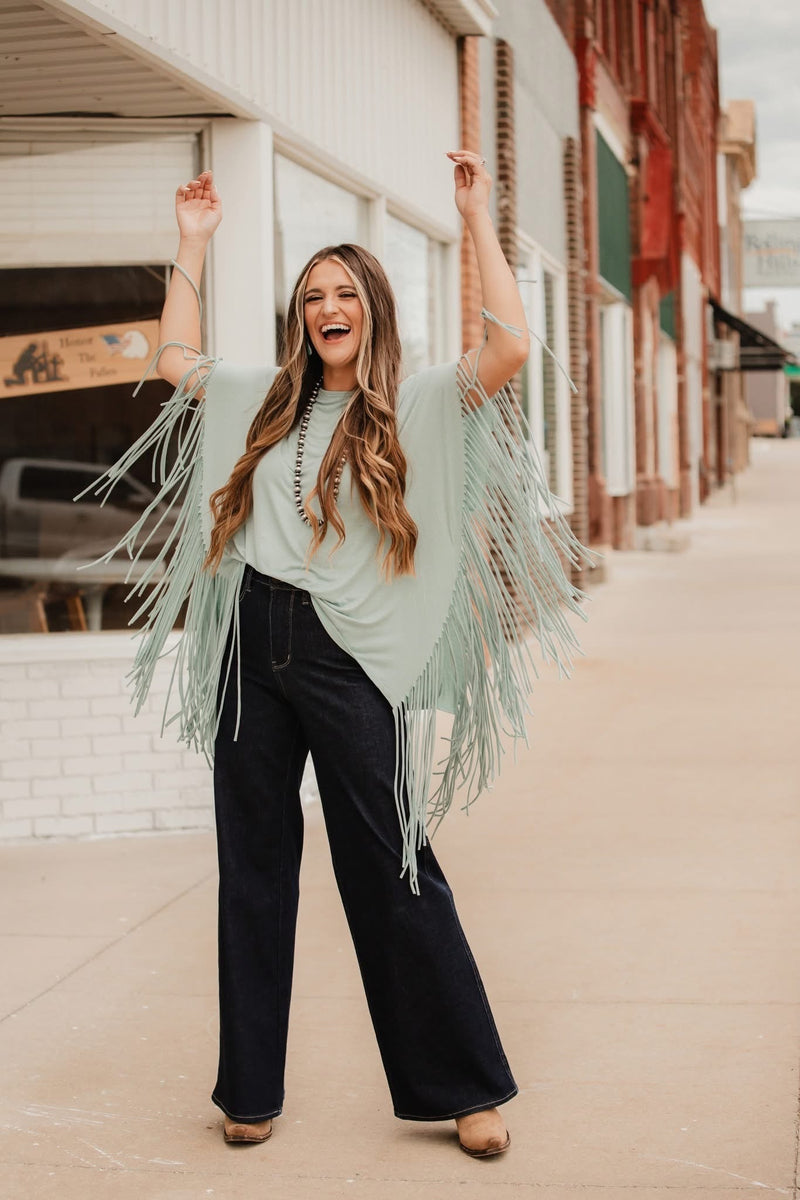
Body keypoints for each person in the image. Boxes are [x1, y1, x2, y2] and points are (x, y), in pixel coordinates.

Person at [86, 153, 593, 1157]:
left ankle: (464, 1089)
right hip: (249, 639)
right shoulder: (263, 399)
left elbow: (510, 345)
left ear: (372, 309)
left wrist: (475, 215)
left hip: (349, 652)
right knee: (254, 864)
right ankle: (249, 1090)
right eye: (312, 296)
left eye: (344, 292)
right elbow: (176, 353)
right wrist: (190, 243)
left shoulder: (422, 401)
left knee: (392, 863)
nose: (327, 306)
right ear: (299, 319)